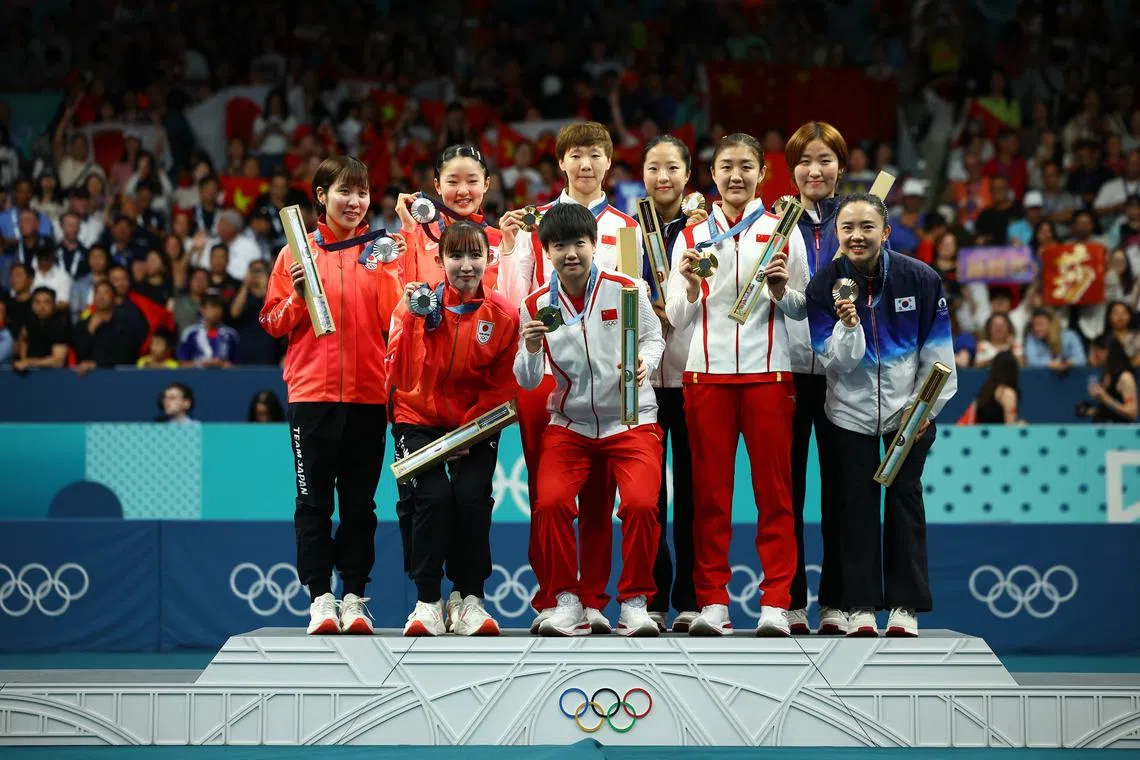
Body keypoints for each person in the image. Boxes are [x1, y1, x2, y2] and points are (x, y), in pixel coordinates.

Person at [499, 122, 642, 633]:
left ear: (609, 162)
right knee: (548, 493)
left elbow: (635, 306)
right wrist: (509, 245)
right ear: (561, 162)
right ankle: (553, 596)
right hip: (544, 373)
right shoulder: (534, 222)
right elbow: (515, 295)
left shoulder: (627, 228)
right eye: (576, 156)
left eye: (595, 156)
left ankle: (596, 598)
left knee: (602, 492)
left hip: (608, 378)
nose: (585, 165)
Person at [665, 132, 810, 637]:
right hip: (705, 377)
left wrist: (781, 290)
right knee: (709, 496)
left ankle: (775, 601)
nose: (735, 176)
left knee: (776, 493)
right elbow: (678, 320)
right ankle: (713, 604)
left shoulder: (782, 229)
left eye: (746, 166)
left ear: (761, 173)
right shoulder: (691, 234)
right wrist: (685, 285)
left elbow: (803, 309)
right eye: (726, 166)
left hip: (769, 374)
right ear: (712, 173)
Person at [259, 155, 405, 636]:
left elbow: (395, 321)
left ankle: (355, 597)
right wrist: (297, 296)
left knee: (361, 505)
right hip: (311, 396)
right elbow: (272, 324)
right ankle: (320, 597)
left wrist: (387, 271)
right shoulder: (295, 255)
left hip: (367, 398)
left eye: (362, 193)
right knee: (313, 502)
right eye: (345, 191)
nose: (355, 201)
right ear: (321, 196)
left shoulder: (382, 251)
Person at [805, 193, 958, 637]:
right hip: (847, 417)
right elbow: (834, 363)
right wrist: (849, 327)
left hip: (908, 415)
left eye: (866, 227)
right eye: (848, 228)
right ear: (838, 234)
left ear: (885, 232)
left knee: (905, 505)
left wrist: (923, 410)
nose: (857, 235)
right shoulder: (823, 286)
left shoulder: (921, 278)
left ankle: (905, 608)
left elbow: (938, 354)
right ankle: (860, 607)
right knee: (854, 510)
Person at [515, 203, 664, 637]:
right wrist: (527, 349)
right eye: (559, 246)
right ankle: (567, 600)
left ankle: (635, 602)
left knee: (639, 504)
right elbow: (526, 381)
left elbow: (654, 337)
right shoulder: (535, 305)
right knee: (551, 503)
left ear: (595, 245)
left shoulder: (627, 288)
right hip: (571, 424)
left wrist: (646, 363)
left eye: (579, 243)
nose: (571, 254)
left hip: (631, 420)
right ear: (547, 251)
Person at [387, 221, 520, 637]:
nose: (466, 265)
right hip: (417, 415)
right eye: (456, 256)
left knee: (471, 498)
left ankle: (470, 598)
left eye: (475, 255)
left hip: (476, 422)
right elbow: (400, 373)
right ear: (440, 259)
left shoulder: (503, 314)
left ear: (489, 258)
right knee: (431, 498)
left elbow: (502, 384)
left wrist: (467, 432)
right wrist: (411, 321)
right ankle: (428, 601)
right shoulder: (416, 305)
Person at [784, 120, 849, 636]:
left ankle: (836, 601)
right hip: (785, 369)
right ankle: (787, 602)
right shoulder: (775, 222)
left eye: (825, 160)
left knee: (841, 490)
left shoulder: (859, 222)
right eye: (805, 161)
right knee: (787, 490)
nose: (815, 169)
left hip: (843, 373)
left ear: (840, 167)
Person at [639, 135, 699, 632]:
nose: (664, 177)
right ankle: (651, 597)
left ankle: (694, 601)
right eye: (654, 167)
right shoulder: (623, 229)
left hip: (694, 373)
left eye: (672, 168)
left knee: (696, 495)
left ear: (687, 174)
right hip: (640, 381)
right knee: (647, 497)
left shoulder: (706, 228)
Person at [394, 144, 502, 291]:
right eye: (452, 182)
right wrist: (408, 230)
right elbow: (403, 297)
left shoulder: (501, 242)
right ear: (438, 186)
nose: (463, 191)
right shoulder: (417, 237)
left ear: (486, 184)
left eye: (472, 181)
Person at [1083, 335, 1139, 422]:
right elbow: (1110, 411)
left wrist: (1106, 398)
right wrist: (1091, 411)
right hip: (1103, 431)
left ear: (1109, 351)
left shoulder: (1125, 378)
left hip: (1119, 433)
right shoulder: (1105, 374)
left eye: (1096, 351)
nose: (1094, 355)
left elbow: (1132, 413)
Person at [973, 350, 1021, 424]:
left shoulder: (984, 391)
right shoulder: (1007, 393)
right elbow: (1011, 427)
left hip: (983, 434)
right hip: (1000, 435)